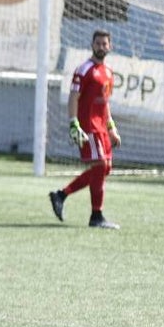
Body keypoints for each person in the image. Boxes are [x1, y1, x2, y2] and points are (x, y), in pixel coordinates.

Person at [48, 30, 121, 230]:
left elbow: (105, 103)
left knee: (104, 169)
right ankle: (96, 216)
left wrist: (112, 128)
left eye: (104, 43)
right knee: (99, 166)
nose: (101, 47)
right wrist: (74, 123)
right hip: (88, 127)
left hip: (102, 128)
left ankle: (61, 195)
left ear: (110, 46)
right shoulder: (84, 69)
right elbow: (73, 97)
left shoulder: (108, 72)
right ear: (92, 45)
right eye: (97, 43)